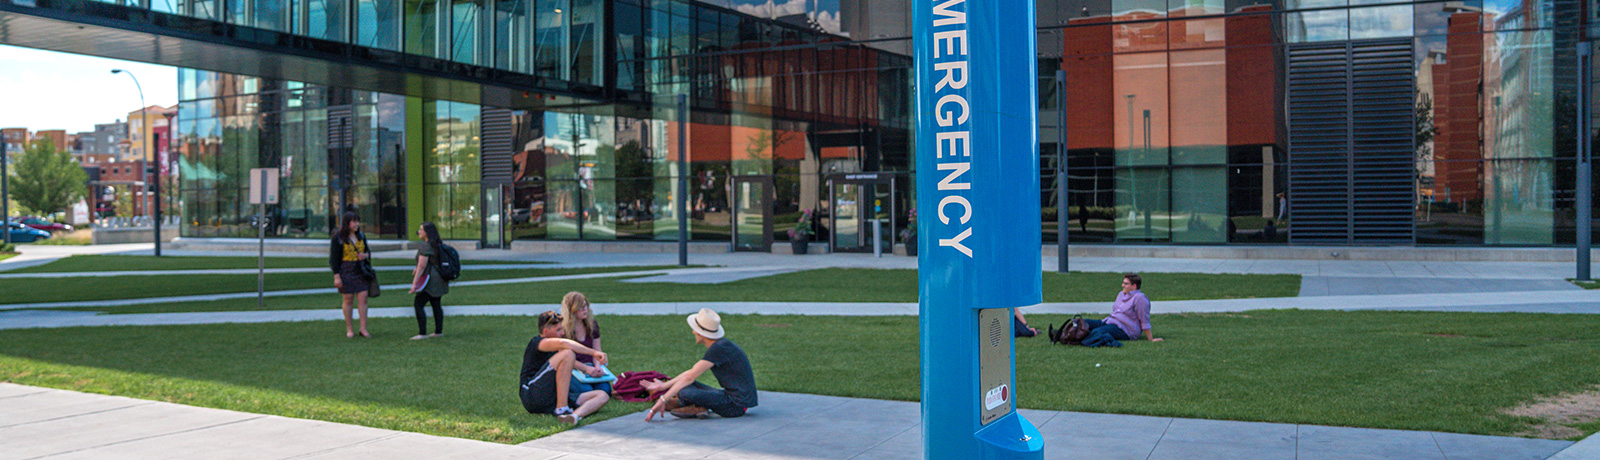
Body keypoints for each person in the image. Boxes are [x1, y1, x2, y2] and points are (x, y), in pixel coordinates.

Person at [644, 308, 758, 421]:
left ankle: (691, 405)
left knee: (684, 391)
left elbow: (689, 377)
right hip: (731, 397)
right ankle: (698, 407)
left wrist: (662, 400)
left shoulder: (718, 349)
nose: (693, 332)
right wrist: (663, 386)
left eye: (695, 330)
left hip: (735, 406)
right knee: (682, 384)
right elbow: (691, 373)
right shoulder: (722, 345)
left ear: (702, 333)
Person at [519, 311, 611, 425]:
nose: (562, 333)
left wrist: (588, 369)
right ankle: (562, 409)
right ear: (545, 332)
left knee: (602, 395)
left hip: (552, 398)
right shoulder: (536, 343)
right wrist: (593, 353)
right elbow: (563, 343)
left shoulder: (558, 351)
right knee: (568, 353)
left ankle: (574, 416)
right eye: (558, 330)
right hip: (532, 395)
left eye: (562, 329)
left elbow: (570, 362)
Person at [1081, 273, 1164, 347]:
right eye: (1123, 283)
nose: (1122, 285)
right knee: (1082, 323)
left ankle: (1083, 340)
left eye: (1126, 284)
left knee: (1097, 332)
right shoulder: (1121, 294)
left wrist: (1151, 339)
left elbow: (1144, 319)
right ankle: (1073, 338)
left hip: (1125, 329)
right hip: (1109, 322)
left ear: (1134, 286)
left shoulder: (1140, 298)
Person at [328, 212, 371, 338]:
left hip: (360, 269)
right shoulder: (338, 238)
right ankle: (350, 329)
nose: (357, 224)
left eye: (358, 221)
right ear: (347, 223)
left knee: (363, 298)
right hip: (345, 270)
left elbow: (367, 251)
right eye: (354, 221)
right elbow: (334, 259)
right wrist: (336, 276)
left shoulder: (361, 236)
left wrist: (365, 256)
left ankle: (363, 328)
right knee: (348, 299)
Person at [560, 292, 611, 393]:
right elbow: (563, 357)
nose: (585, 309)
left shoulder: (592, 325)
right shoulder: (563, 329)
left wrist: (598, 366)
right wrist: (586, 368)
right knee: (586, 390)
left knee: (605, 390)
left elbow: (597, 351)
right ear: (572, 310)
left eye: (585, 306)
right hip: (573, 367)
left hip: (591, 365)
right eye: (580, 307)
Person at [408, 222, 448, 340]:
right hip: (439, 278)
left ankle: (422, 333)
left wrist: (414, 284)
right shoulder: (437, 244)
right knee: (436, 304)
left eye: (421, 229)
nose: (418, 232)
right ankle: (438, 331)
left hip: (430, 279)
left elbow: (422, 266)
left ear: (427, 232)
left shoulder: (425, 246)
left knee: (418, 304)